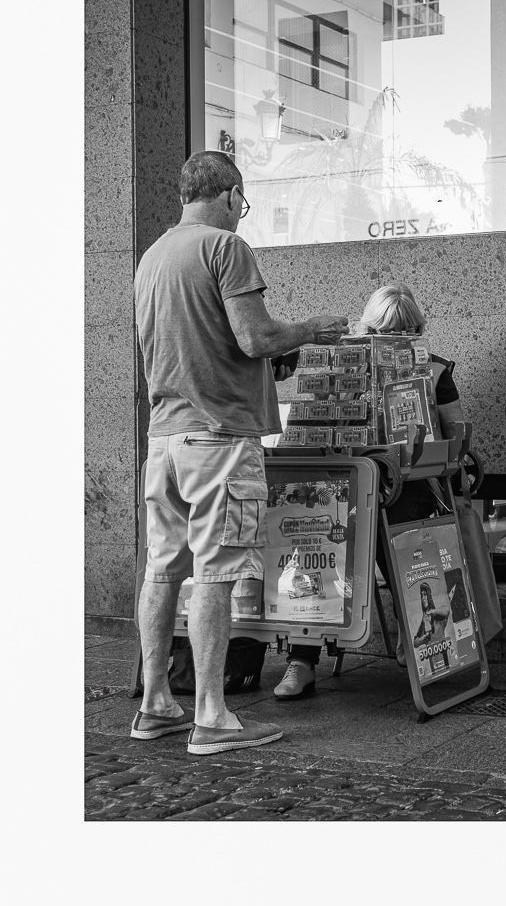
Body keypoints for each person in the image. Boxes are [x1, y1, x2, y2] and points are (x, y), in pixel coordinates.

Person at [133, 151, 349, 754]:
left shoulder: (152, 257)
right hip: (221, 438)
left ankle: (154, 705)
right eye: (243, 203)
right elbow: (256, 336)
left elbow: (193, 342)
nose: (242, 214)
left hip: (165, 438)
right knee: (216, 575)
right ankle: (211, 716)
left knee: (161, 569)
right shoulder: (225, 249)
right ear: (230, 195)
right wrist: (310, 328)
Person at [274, 283, 467, 698]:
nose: (393, 340)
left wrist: (429, 446)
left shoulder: (433, 369)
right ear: (366, 328)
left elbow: (456, 434)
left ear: (417, 330)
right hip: (341, 489)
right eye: (383, 331)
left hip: (404, 487)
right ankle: (301, 660)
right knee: (316, 554)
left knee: (409, 547)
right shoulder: (339, 360)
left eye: (404, 332)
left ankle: (418, 636)